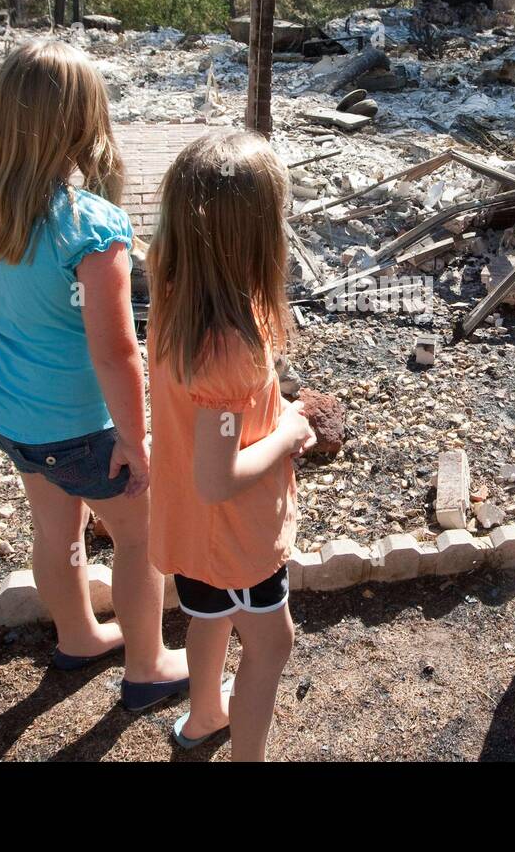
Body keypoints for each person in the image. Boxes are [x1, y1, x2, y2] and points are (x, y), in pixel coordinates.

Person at [0, 39, 187, 710]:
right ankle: (147, 666)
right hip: (79, 426)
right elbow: (118, 352)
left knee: (54, 532)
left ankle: (80, 634)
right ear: (84, 120)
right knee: (138, 537)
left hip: (7, 410)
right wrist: (136, 441)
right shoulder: (94, 228)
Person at [146, 131, 315, 760]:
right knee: (272, 645)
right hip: (234, 537)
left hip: (192, 533)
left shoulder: (172, 291)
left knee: (208, 620)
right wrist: (290, 432)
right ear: (256, 239)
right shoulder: (228, 351)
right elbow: (218, 478)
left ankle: (204, 716)